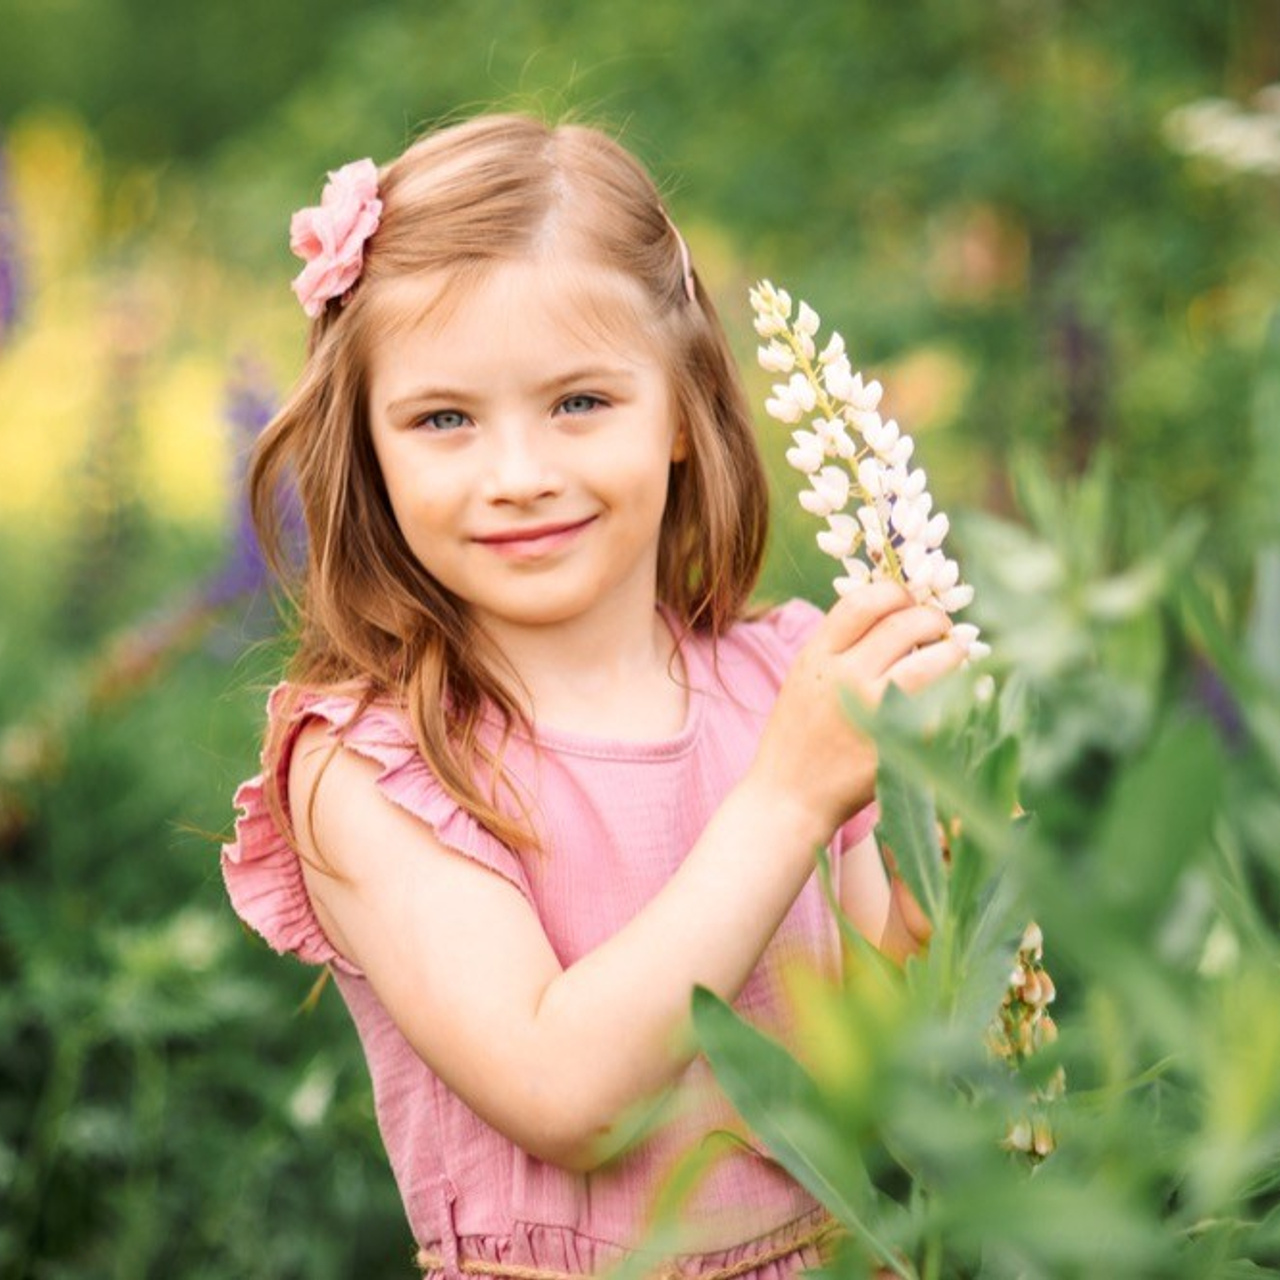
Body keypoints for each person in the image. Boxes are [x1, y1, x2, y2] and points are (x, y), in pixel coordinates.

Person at [221, 113, 964, 1280]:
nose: (519, 475)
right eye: (443, 418)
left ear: (682, 408)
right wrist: (786, 799)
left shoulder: (781, 682)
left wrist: (945, 845)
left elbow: (867, 1020)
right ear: (366, 446)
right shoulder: (372, 766)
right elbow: (564, 1092)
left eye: (578, 402)